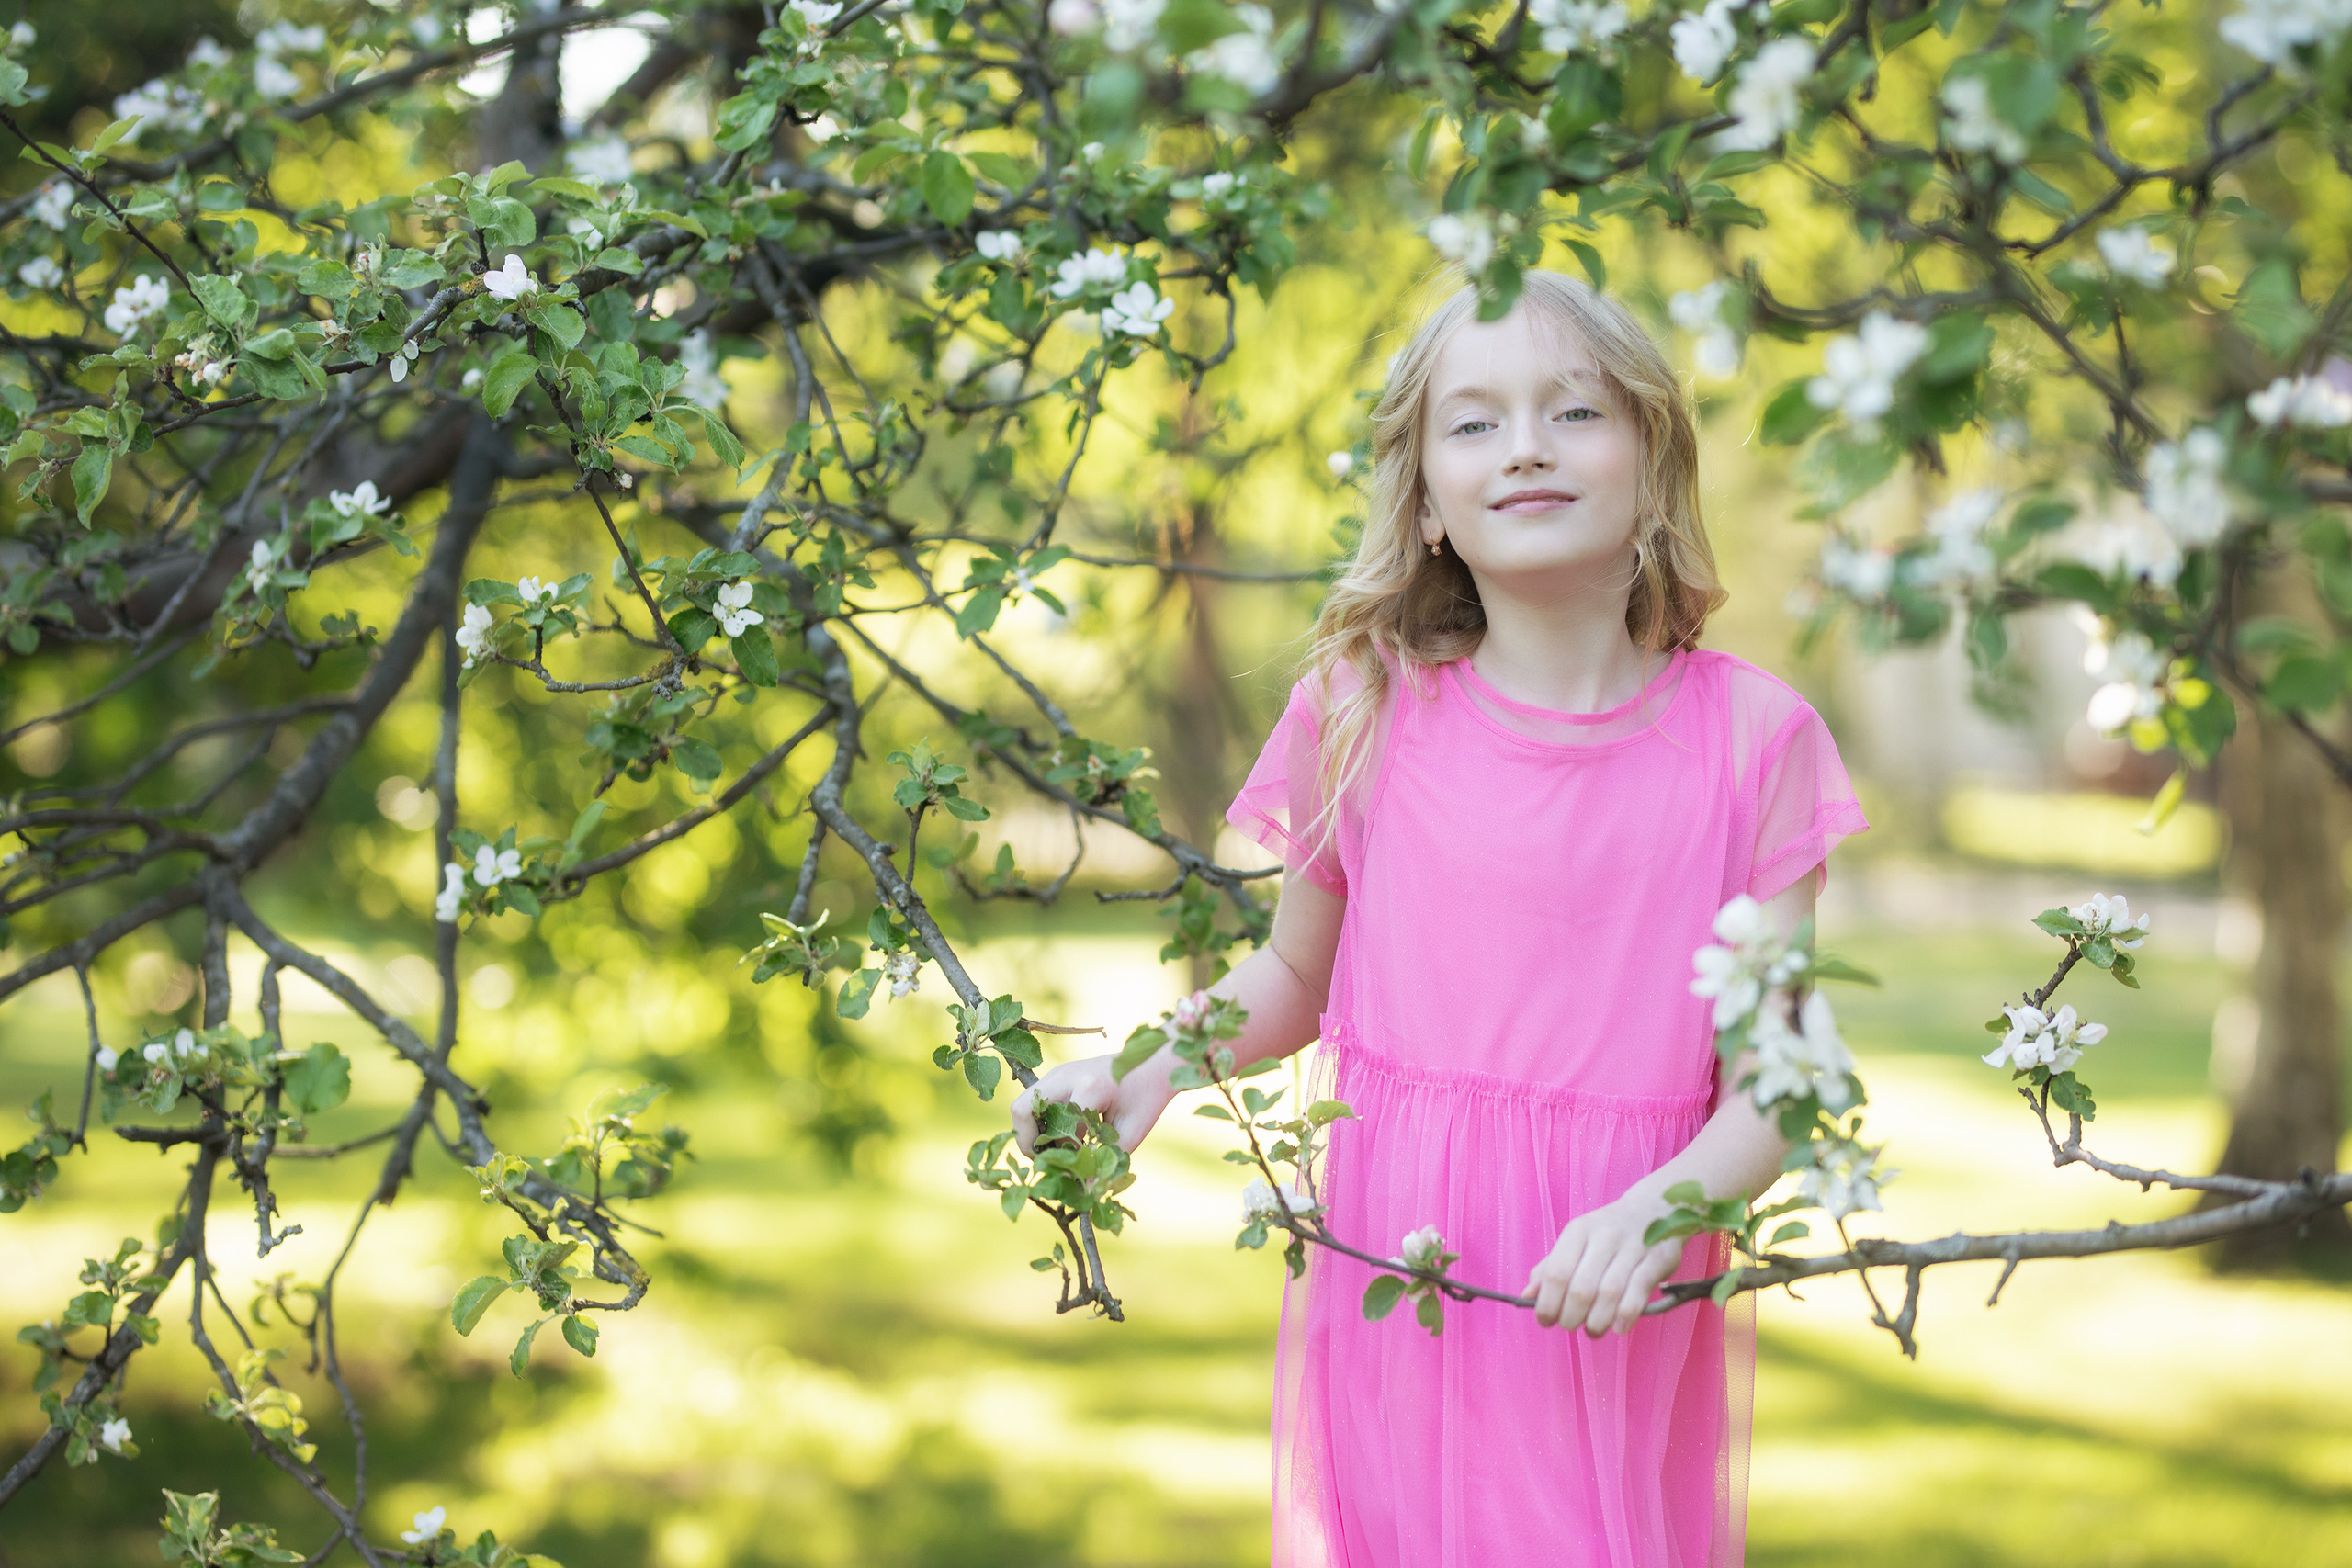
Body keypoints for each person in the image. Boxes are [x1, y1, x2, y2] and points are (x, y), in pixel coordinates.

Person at [1010, 269, 1867, 1567]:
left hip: (1602, 1286)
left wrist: (1658, 1212)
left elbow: (1781, 1085)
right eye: (1474, 423)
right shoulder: (1364, 709)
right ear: (1422, 500)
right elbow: (1297, 976)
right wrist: (1143, 1072)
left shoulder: (1755, 740)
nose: (1525, 446)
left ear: (1653, 460)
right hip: (1403, 1281)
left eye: (1574, 411)